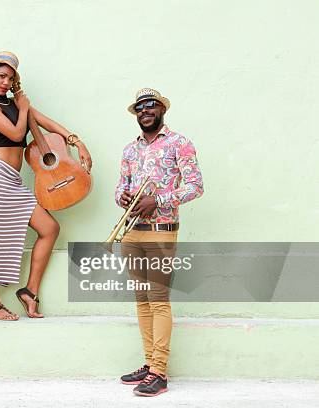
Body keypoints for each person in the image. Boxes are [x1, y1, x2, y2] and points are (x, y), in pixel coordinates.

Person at [0, 51, 93, 320]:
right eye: (2, 76)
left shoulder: (17, 104)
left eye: (10, 77)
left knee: (50, 228)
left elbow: (47, 123)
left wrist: (77, 142)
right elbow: (15, 133)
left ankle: (29, 292)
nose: (5, 82)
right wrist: (23, 106)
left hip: (11, 180)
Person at [115, 88, 203, 396]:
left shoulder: (180, 143)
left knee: (158, 299)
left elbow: (195, 186)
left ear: (161, 110)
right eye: (139, 107)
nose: (145, 111)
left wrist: (160, 199)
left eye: (151, 106)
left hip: (162, 230)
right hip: (132, 231)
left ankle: (160, 373)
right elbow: (120, 188)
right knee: (142, 300)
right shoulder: (129, 150)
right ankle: (150, 363)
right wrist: (123, 197)